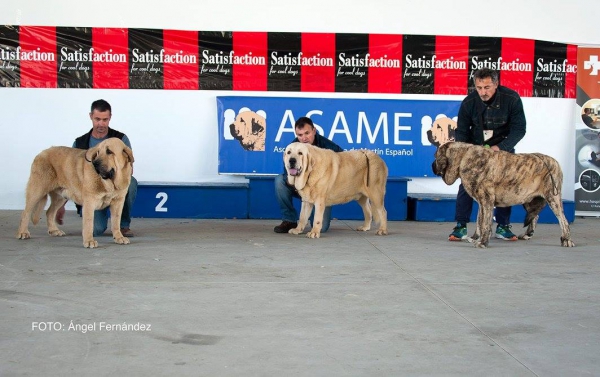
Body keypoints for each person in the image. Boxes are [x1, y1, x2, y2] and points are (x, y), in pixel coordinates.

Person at [449, 68, 526, 242]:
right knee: (466, 184)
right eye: (479, 88)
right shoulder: (468, 102)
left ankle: (503, 226)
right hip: (475, 149)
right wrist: (469, 153)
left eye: (487, 87)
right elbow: (461, 131)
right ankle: (460, 226)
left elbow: (519, 129)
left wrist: (501, 147)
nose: (483, 92)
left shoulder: (512, 99)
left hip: (502, 149)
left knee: (504, 184)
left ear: (496, 84)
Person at [55, 99, 138, 237]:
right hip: (91, 193)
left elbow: (128, 169)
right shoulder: (80, 142)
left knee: (131, 183)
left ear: (110, 117)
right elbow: (70, 177)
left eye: (105, 119)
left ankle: (122, 226)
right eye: (97, 119)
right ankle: (98, 220)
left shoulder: (121, 139)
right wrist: (61, 204)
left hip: (114, 190)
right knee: (96, 231)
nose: (101, 124)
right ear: (91, 117)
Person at [274, 116, 343, 234]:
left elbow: (343, 160)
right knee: (279, 181)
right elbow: (288, 174)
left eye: (307, 133)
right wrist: (301, 189)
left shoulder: (327, 146)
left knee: (323, 227)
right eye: (300, 135)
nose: (304, 138)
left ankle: (312, 219)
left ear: (314, 131)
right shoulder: (293, 147)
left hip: (321, 190)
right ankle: (289, 220)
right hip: (300, 188)